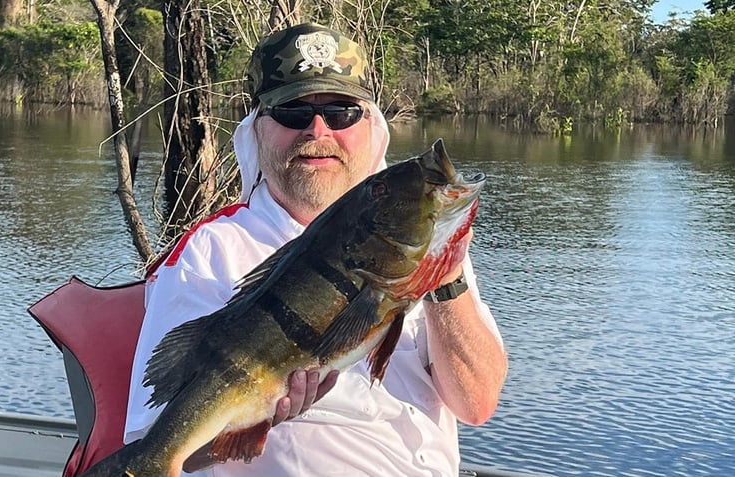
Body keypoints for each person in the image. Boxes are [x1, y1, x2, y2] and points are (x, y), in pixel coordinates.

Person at [125, 22, 508, 476]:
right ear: (258, 128)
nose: (317, 130)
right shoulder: (208, 254)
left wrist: (445, 280)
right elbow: (159, 440)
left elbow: (476, 404)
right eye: (293, 112)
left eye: (341, 112)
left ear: (370, 126)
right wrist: (262, 413)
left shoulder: (421, 242)